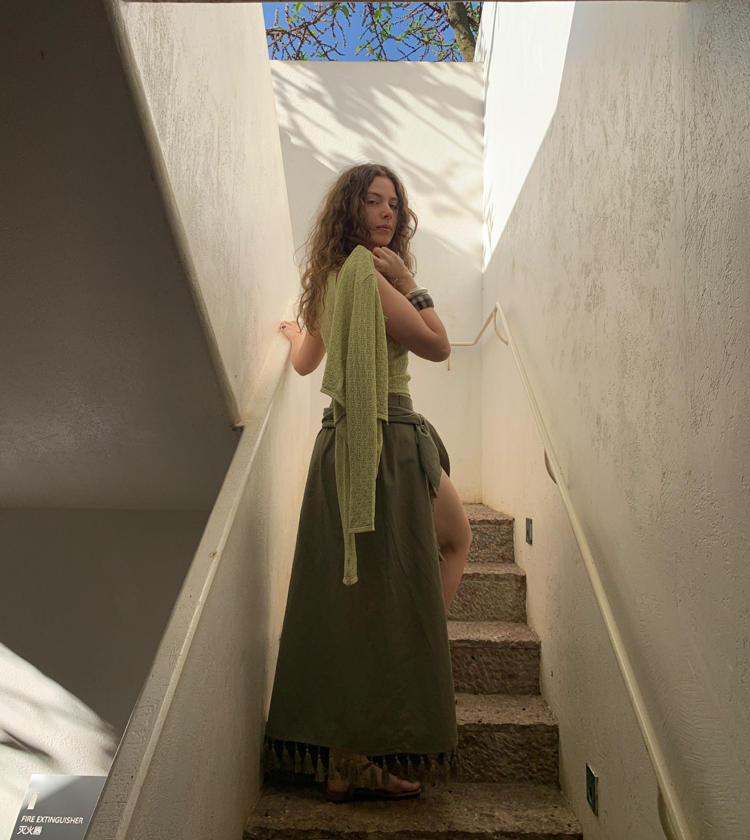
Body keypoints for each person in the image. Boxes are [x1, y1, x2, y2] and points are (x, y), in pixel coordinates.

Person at [265, 163, 472, 803]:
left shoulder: (331, 280)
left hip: (344, 439)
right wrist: (412, 284)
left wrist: (295, 333)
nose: (387, 212)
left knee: (364, 596)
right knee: (452, 544)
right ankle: (385, 697)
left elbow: (307, 363)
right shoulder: (373, 277)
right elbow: (437, 346)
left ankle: (346, 754)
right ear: (351, 210)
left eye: (394, 203)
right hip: (388, 437)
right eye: (374, 201)